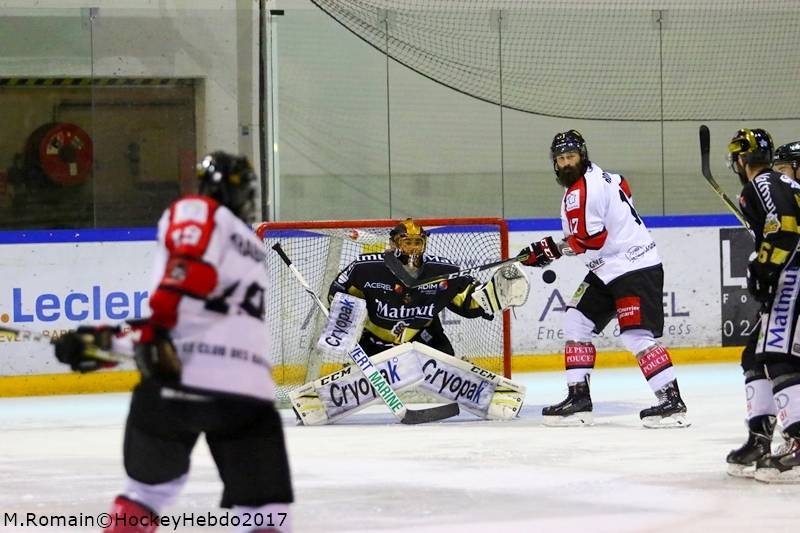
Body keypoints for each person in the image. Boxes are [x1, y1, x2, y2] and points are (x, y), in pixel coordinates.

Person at [53, 152, 294, 531]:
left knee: (146, 496)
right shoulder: (251, 246)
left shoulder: (201, 212)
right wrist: (110, 340)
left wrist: (112, 343)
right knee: (267, 514)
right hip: (246, 393)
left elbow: (182, 291)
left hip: (179, 383)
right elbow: (204, 319)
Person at [518, 129, 688, 428]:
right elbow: (623, 195)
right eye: (561, 158)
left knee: (636, 335)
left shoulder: (580, 193)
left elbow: (593, 239)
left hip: (632, 268)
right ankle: (579, 400)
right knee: (576, 320)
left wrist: (549, 250)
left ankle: (672, 403)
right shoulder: (610, 177)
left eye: (571, 156)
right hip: (607, 268)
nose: (566, 163)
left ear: (582, 156)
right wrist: (556, 247)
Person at [725, 128, 800, 483]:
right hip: (790, 272)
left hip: (793, 274)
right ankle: (759, 439)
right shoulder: (781, 184)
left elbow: (785, 230)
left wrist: (763, 268)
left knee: (778, 356)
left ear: (741, 160)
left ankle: (799, 442)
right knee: (754, 355)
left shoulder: (766, 183)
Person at [328, 218, 495, 358]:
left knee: (453, 378)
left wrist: (497, 292)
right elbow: (337, 293)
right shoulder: (366, 267)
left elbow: (471, 298)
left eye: (418, 242)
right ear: (393, 244)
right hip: (374, 340)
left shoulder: (443, 270)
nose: (413, 248)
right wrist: (349, 320)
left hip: (424, 337)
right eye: (407, 243)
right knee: (362, 390)